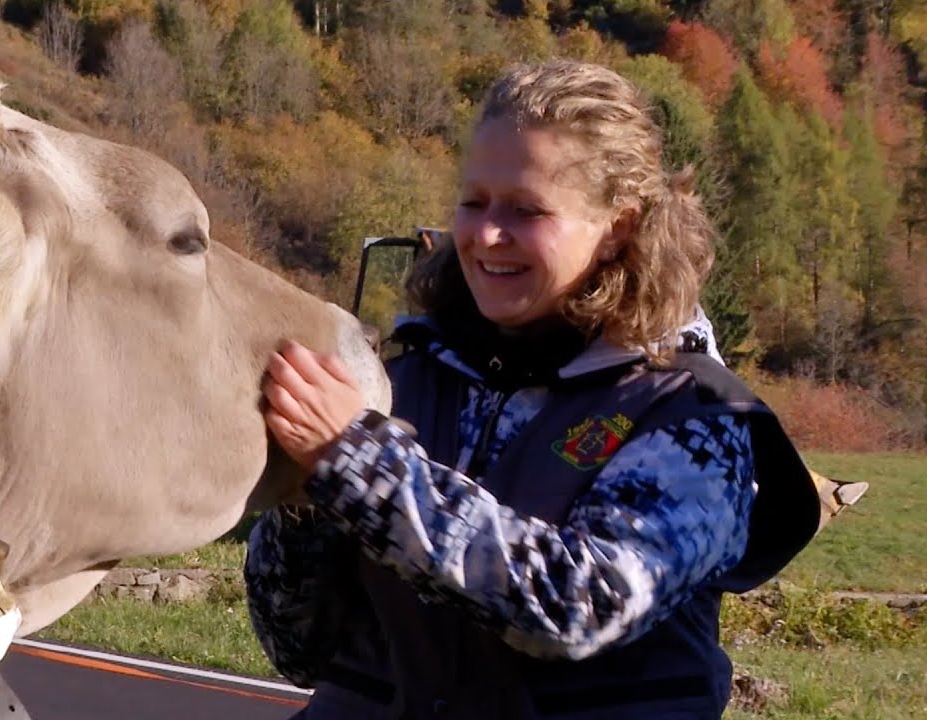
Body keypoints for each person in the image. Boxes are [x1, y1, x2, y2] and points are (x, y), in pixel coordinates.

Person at [245, 59, 820, 720]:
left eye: (527, 210)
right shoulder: (399, 380)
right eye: (474, 202)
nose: (488, 235)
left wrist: (354, 462)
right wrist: (303, 494)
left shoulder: (697, 421)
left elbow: (579, 605)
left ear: (620, 230)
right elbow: (296, 648)